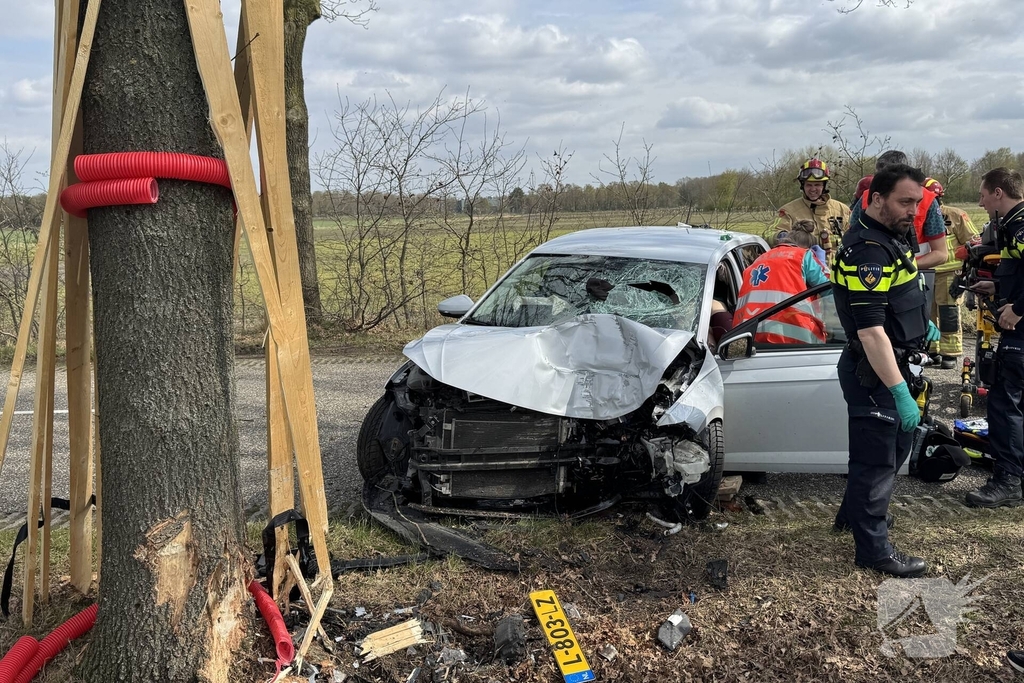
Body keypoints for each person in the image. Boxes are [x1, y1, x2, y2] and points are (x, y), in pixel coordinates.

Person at [831, 164, 941, 578]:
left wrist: (917, 326)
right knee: (876, 462)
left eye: (916, 202)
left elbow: (899, 299)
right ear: (877, 199)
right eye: (904, 201)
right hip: (875, 372)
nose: (913, 210)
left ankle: (853, 518)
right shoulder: (869, 252)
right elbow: (872, 331)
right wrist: (897, 391)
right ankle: (873, 550)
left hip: (893, 363)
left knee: (890, 453)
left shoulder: (890, 239)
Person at [964, 167, 1024, 508]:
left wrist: (1017, 308)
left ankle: (1007, 480)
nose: (981, 201)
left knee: (1005, 404)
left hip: (1020, 331)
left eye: (984, 194)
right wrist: (998, 286)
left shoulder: (1019, 224)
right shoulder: (1014, 223)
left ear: (998, 192)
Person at [733, 220, 830, 344]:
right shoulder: (802, 256)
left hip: (749, 335)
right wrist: (823, 266)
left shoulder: (759, 260)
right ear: (808, 248)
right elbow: (826, 288)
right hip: (795, 335)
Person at [851, 151, 949, 270]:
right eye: (879, 177)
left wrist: (903, 268)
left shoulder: (928, 201)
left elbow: (941, 254)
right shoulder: (865, 198)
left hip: (914, 278)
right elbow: (852, 242)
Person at [928, 178, 980, 369]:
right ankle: (930, 349)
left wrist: (965, 272)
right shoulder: (917, 217)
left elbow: (974, 243)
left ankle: (950, 352)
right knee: (925, 314)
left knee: (948, 313)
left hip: (950, 273)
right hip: (925, 273)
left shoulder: (956, 216)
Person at [775, 158, 852, 263]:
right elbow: (769, 233)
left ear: (824, 185)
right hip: (804, 271)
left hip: (837, 273)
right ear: (803, 186)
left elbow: (855, 240)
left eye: (817, 185)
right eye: (809, 185)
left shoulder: (843, 210)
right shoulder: (788, 211)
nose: (813, 189)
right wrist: (783, 235)